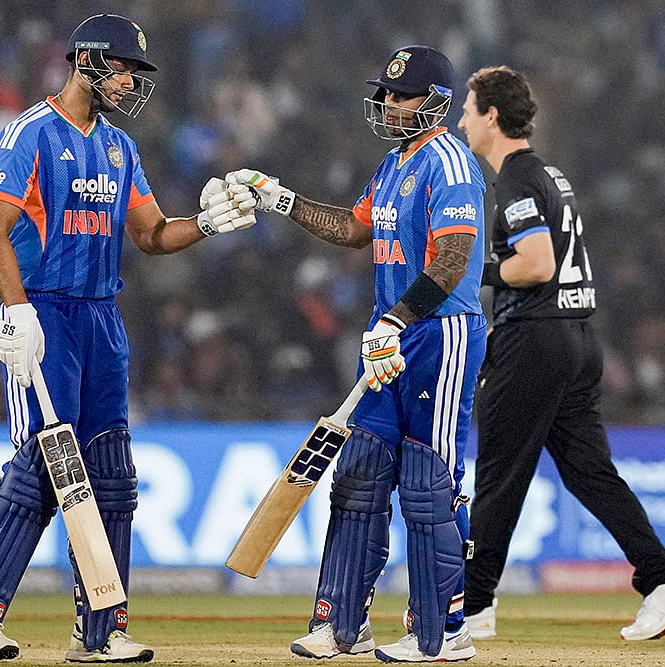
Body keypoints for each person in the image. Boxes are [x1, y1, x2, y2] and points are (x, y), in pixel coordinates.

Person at [0, 14, 253, 662]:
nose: (131, 80)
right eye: (122, 66)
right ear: (85, 60)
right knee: (46, 467)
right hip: (45, 314)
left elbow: (151, 233)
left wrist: (208, 223)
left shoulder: (118, 148)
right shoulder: (28, 132)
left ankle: (100, 629)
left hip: (102, 317)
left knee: (111, 475)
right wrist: (15, 310)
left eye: (135, 70)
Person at [226, 45, 487, 662]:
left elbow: (450, 261)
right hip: (389, 337)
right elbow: (353, 227)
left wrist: (396, 319)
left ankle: (443, 633)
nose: (389, 104)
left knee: (427, 487)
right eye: (387, 93)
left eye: (401, 95)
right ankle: (342, 624)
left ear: (436, 102)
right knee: (359, 478)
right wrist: (281, 200)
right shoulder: (395, 164)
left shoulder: (449, 162)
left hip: (439, 335)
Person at [456, 65, 665, 642]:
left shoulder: (515, 178)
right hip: (575, 338)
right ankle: (664, 578)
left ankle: (472, 606)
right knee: (590, 473)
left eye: (469, 110)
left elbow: (537, 264)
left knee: (499, 471)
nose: (462, 120)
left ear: (492, 116)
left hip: (536, 342)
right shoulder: (550, 174)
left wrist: (476, 273)